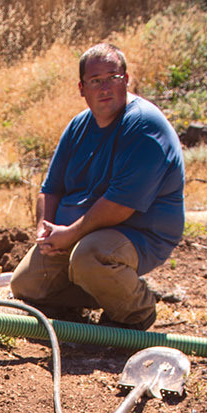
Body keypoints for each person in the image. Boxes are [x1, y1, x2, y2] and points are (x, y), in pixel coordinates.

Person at [10, 43, 185, 331]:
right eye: (95, 80)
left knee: (90, 256)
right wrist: (45, 230)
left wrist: (70, 234)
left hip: (138, 231)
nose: (105, 88)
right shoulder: (79, 126)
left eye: (112, 78)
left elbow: (119, 206)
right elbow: (50, 188)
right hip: (80, 232)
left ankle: (136, 312)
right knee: (27, 285)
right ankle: (98, 299)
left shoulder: (143, 125)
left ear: (126, 80)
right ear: (82, 88)